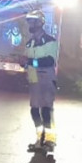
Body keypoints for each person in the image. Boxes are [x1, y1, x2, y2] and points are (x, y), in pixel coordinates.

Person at [24, 9, 59, 151]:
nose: (30, 24)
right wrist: (25, 64)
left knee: (46, 110)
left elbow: (49, 61)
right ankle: (39, 140)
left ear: (40, 22)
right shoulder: (29, 44)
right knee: (34, 110)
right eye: (29, 21)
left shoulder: (50, 41)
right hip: (34, 79)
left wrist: (31, 62)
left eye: (32, 21)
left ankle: (49, 141)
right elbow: (29, 62)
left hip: (46, 78)